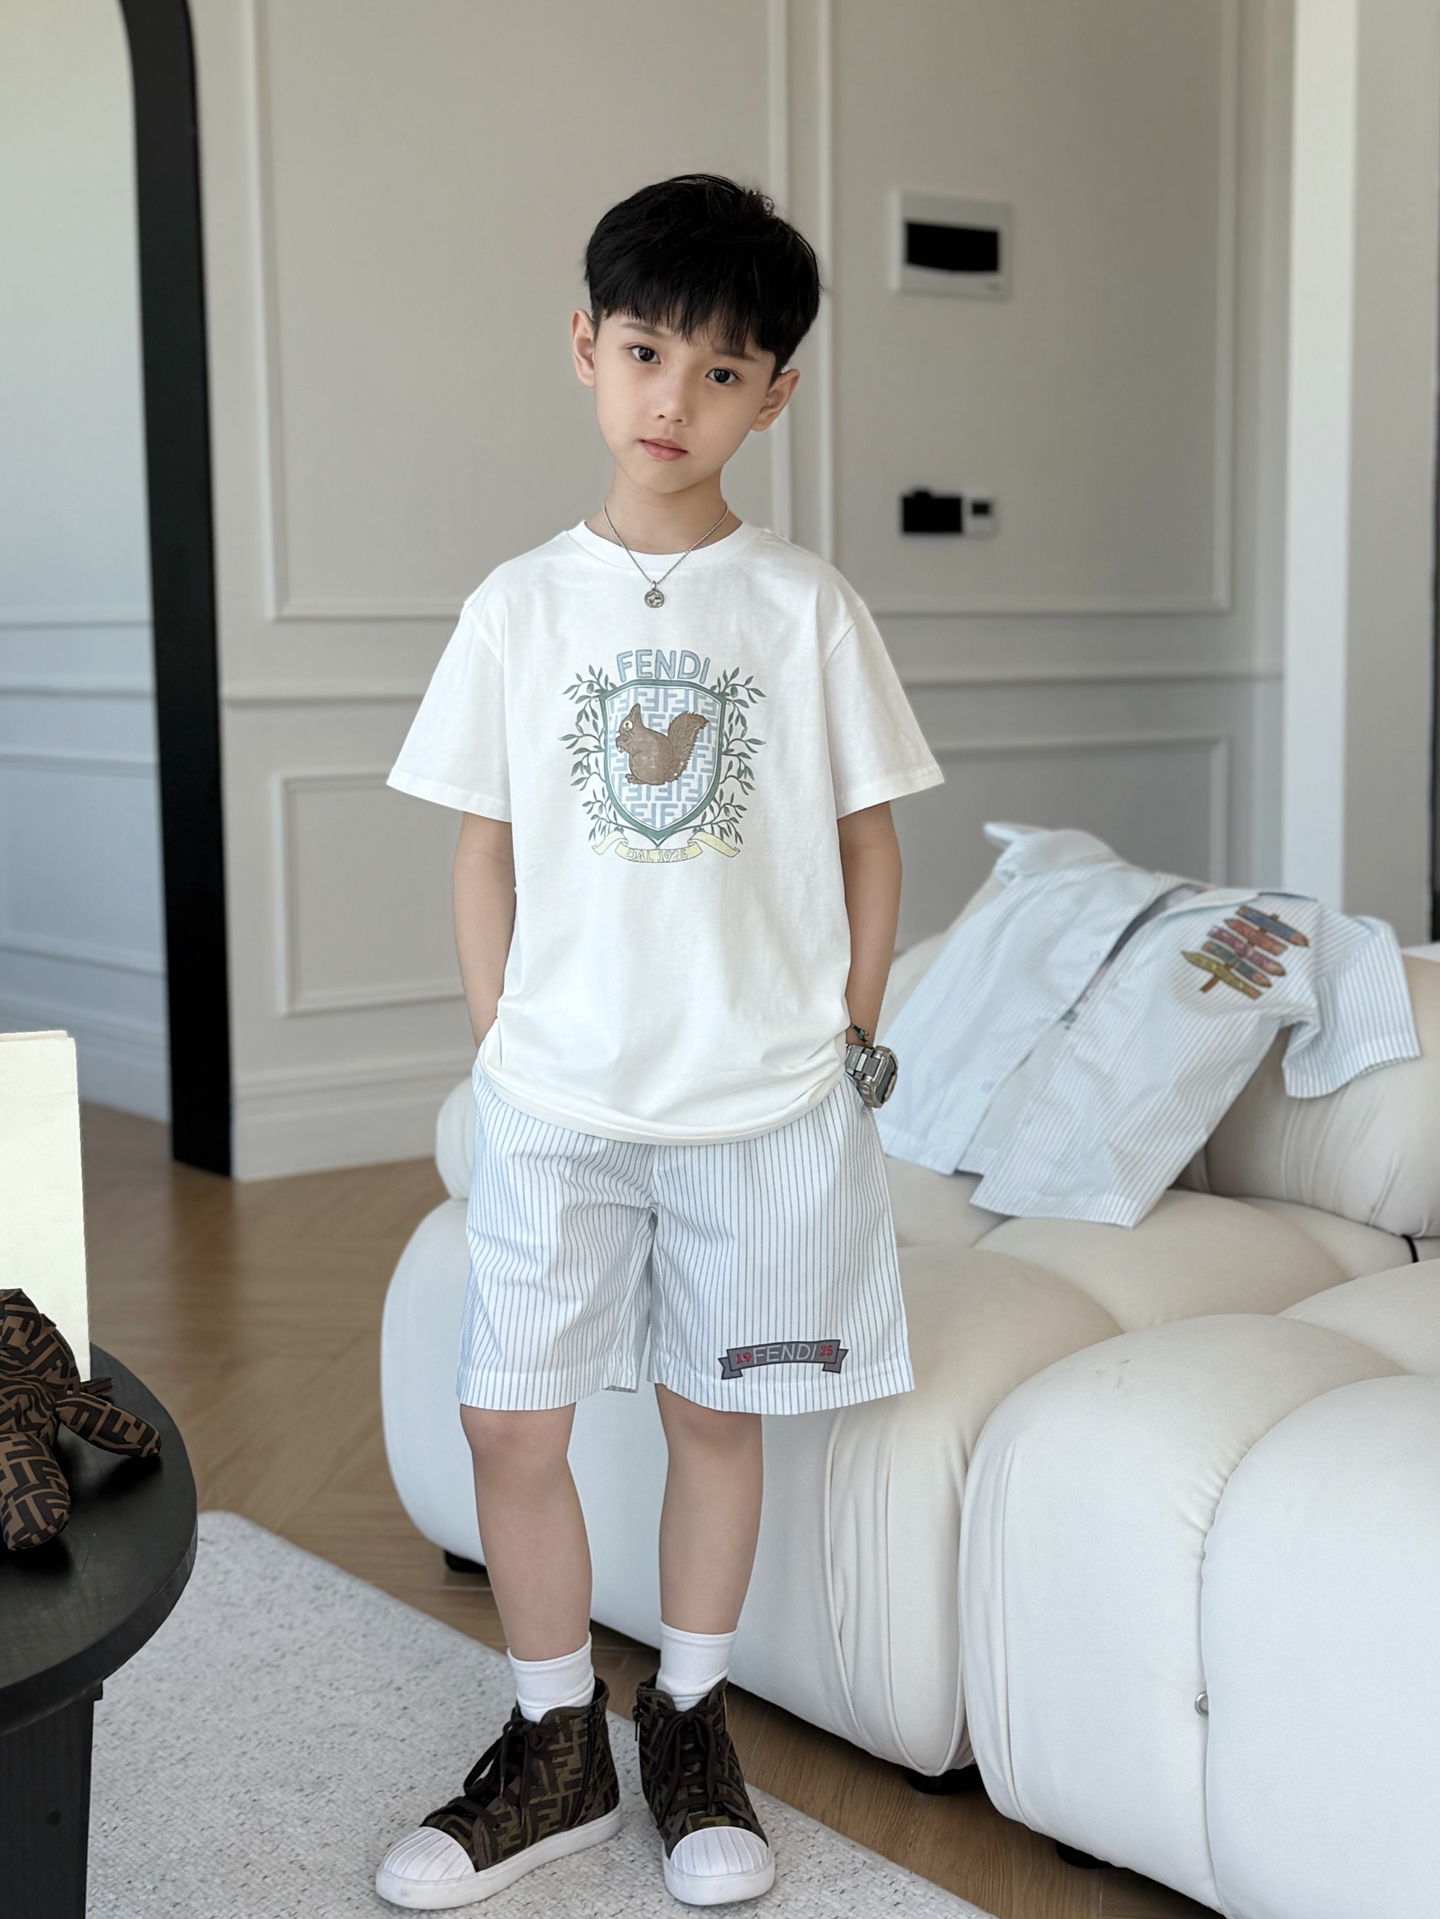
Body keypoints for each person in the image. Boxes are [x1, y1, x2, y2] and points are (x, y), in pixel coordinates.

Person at [376, 173, 942, 1911]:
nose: (672, 401)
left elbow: (867, 837)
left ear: (776, 394)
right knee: (508, 1423)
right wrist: (498, 1037)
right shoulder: (517, 607)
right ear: (585, 346)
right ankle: (556, 1737)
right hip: (555, 1096)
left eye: (720, 371)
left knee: (714, 1415)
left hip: (759, 1105)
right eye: (643, 353)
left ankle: (689, 1718)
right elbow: (483, 844)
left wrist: (848, 1029)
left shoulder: (806, 608)